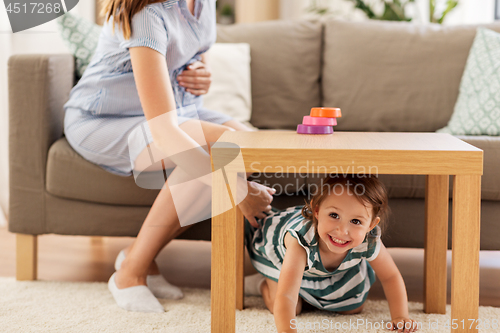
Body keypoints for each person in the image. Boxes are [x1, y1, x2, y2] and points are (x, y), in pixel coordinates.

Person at [63, 0, 276, 312]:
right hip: (107, 119)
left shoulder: (203, 4)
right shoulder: (147, 14)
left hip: (177, 111)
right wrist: (238, 191)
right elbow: (164, 130)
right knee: (216, 149)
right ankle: (130, 272)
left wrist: (201, 75)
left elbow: (191, 57)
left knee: (250, 147)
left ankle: (141, 257)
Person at [244, 175, 419, 333]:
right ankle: (263, 283)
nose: (342, 231)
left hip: (324, 270)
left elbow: (390, 276)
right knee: (287, 306)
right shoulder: (300, 240)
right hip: (284, 259)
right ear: (317, 211)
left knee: (353, 307)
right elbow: (286, 296)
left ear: (371, 225)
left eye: (356, 221)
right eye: (334, 215)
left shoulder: (369, 239)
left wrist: (400, 316)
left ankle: (308, 293)